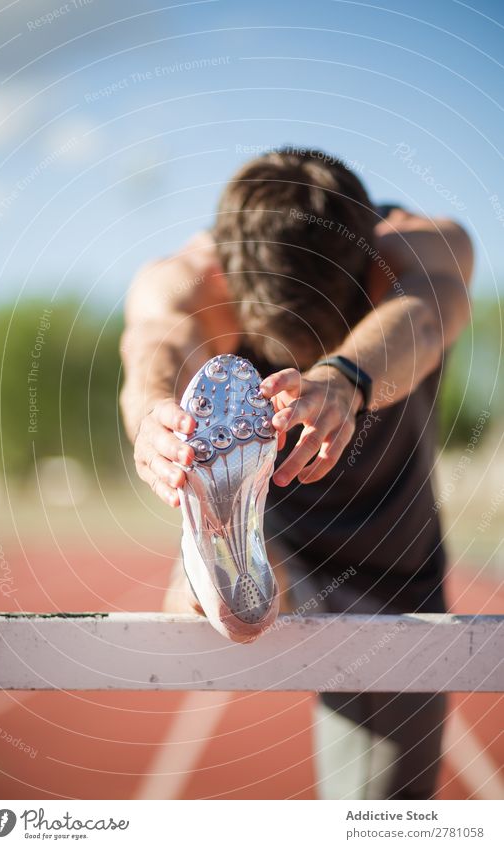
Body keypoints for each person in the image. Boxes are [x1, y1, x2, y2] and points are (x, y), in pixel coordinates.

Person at [120, 148, 473, 799]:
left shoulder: (418, 248)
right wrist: (151, 411)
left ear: (372, 276)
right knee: (379, 813)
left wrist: (344, 377)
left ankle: (214, 576)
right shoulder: (190, 275)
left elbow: (423, 316)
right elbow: (155, 340)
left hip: (391, 570)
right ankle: (219, 559)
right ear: (225, 286)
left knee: (388, 814)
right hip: (282, 533)